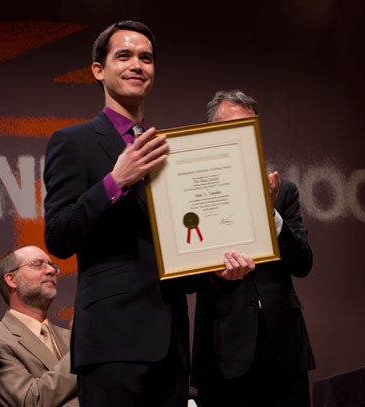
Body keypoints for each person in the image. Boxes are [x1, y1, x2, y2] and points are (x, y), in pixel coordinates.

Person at [43, 21, 255, 406]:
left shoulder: (174, 152)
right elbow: (58, 235)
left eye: (146, 58)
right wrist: (115, 181)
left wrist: (217, 272)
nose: (136, 64)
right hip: (111, 341)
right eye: (123, 55)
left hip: (171, 344)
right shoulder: (72, 142)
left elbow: (180, 248)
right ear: (98, 70)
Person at [191, 90, 315, 407]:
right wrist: (214, 272)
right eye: (230, 127)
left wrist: (266, 209)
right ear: (210, 133)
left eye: (249, 128)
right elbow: (183, 274)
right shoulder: (193, 191)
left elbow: (302, 262)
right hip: (223, 349)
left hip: (284, 347)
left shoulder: (283, 192)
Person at [0, 245, 77, 406]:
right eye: (38, 264)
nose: (50, 270)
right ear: (11, 279)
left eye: (52, 265)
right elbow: (30, 401)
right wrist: (80, 349)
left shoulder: (71, 336)